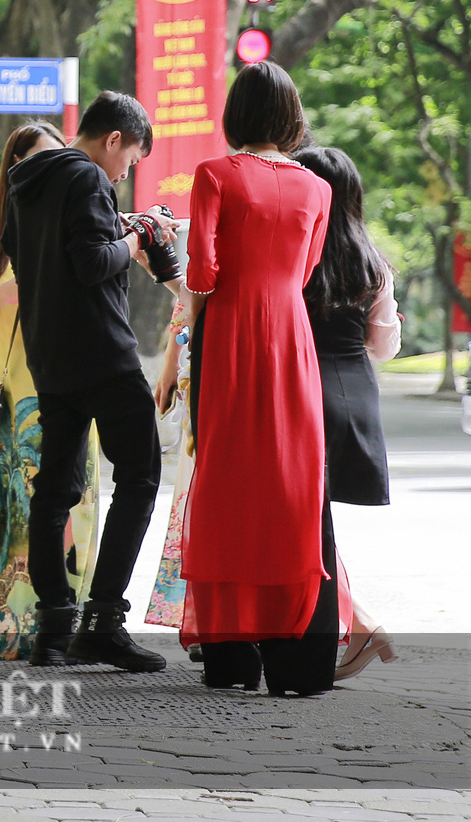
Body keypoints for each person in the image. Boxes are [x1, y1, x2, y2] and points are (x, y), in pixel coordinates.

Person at [1, 91, 173, 672]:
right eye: (132, 160)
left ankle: (54, 629)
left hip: (50, 354)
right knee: (143, 473)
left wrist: (116, 229)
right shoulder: (88, 177)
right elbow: (94, 262)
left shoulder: (25, 181)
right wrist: (142, 237)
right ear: (115, 139)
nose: (128, 171)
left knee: (55, 491)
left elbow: (28, 260)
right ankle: (102, 621)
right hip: (103, 353)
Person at [180, 62, 334, 695]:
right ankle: (290, 644)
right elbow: (305, 270)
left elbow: (201, 274)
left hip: (232, 330)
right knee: (287, 478)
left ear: (235, 114)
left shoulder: (215, 175)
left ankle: (230, 652)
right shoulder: (317, 188)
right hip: (291, 337)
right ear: (292, 116)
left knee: (225, 477)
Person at [0, 122, 100, 660]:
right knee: (5, 516)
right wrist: (12, 287)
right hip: (9, 402)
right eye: (37, 163)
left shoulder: (79, 228)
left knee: (68, 515)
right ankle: (1, 627)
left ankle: (63, 625)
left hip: (73, 392)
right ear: (14, 170)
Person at [293, 145, 400, 680]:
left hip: (302, 388)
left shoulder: (296, 252)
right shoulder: (371, 260)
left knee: (301, 520)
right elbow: (384, 347)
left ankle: (353, 625)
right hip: (356, 390)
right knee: (312, 519)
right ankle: (357, 624)